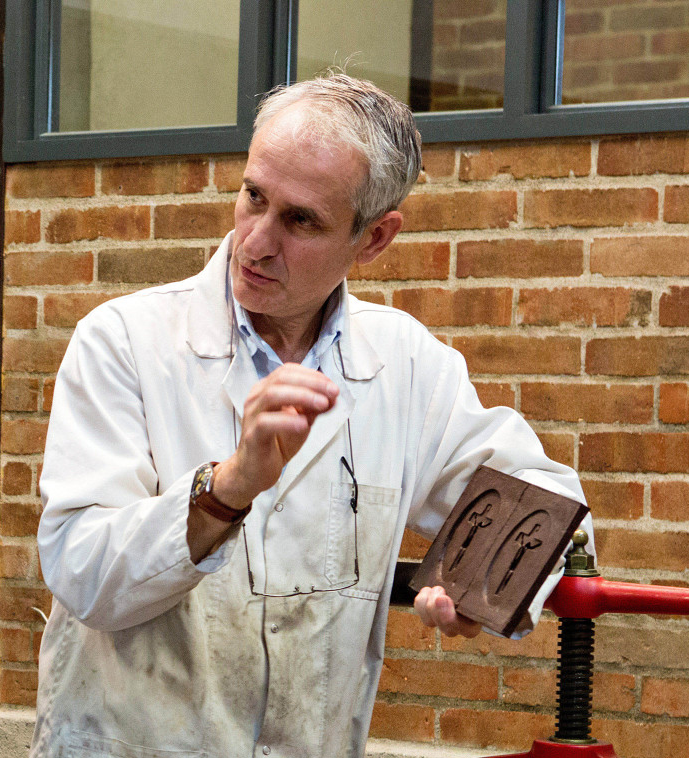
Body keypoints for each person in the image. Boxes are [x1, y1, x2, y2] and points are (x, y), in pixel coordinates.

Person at [30, 74, 592, 758]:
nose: (256, 242)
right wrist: (228, 488)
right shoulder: (125, 341)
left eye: (300, 220)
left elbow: (548, 499)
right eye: (253, 197)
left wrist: (480, 584)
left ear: (375, 238)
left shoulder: (406, 366)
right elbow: (85, 573)